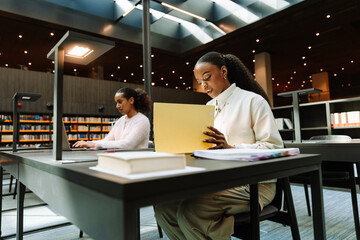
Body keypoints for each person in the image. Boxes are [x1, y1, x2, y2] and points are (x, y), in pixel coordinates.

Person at [154, 52, 283, 239]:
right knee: (164, 210)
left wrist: (232, 148)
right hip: (218, 181)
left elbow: (274, 147)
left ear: (223, 71)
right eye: (199, 82)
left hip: (254, 184)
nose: (204, 85)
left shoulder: (253, 101)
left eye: (207, 78)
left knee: (190, 212)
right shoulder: (209, 107)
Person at [72, 87, 151, 149]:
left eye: (120, 102)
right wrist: (88, 143)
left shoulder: (142, 120)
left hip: (136, 163)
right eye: (116, 103)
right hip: (120, 160)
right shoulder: (121, 120)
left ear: (131, 100)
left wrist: (94, 144)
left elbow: (128, 144)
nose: (117, 106)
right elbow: (107, 140)